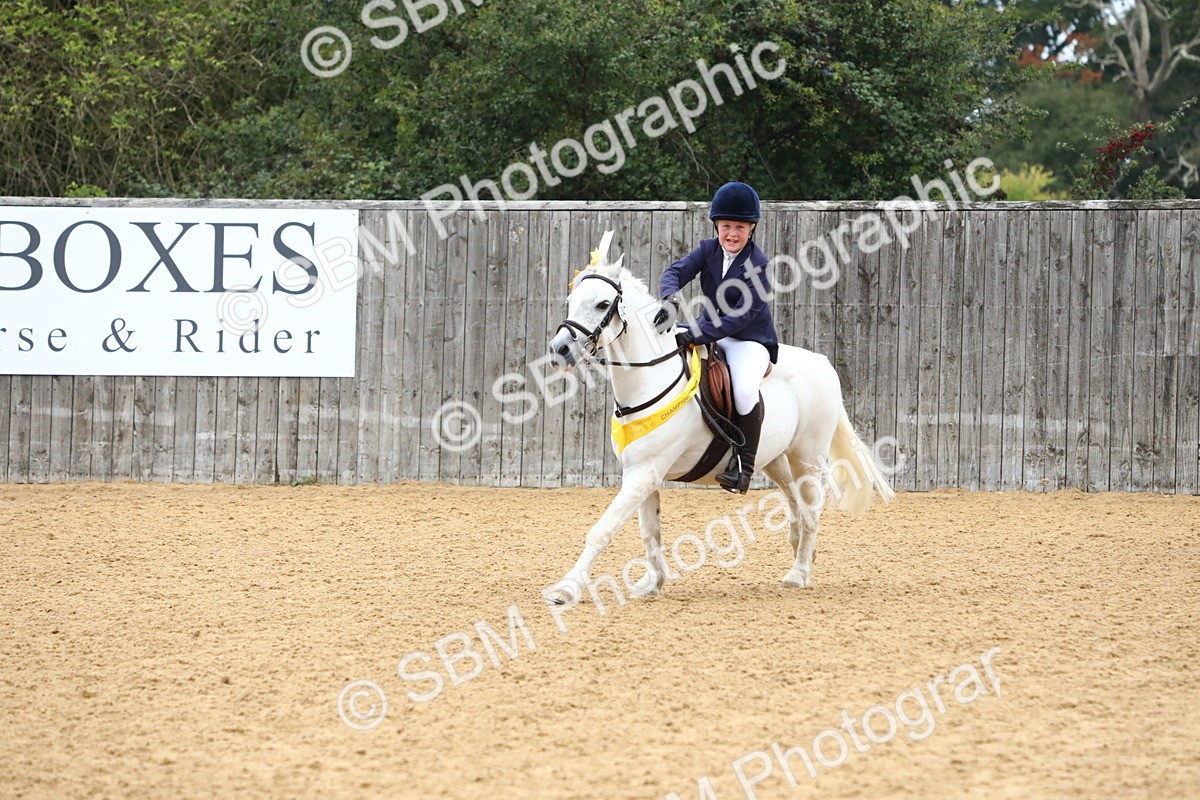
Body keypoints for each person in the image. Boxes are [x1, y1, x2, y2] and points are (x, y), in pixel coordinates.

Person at [653, 181, 779, 494]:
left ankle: (743, 467)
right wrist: (670, 298)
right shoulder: (708, 250)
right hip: (710, 329)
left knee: (745, 392)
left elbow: (739, 318)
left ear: (751, 229)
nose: (732, 233)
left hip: (749, 340)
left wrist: (695, 334)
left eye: (739, 227)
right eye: (726, 226)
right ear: (716, 226)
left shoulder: (759, 266)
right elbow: (674, 273)